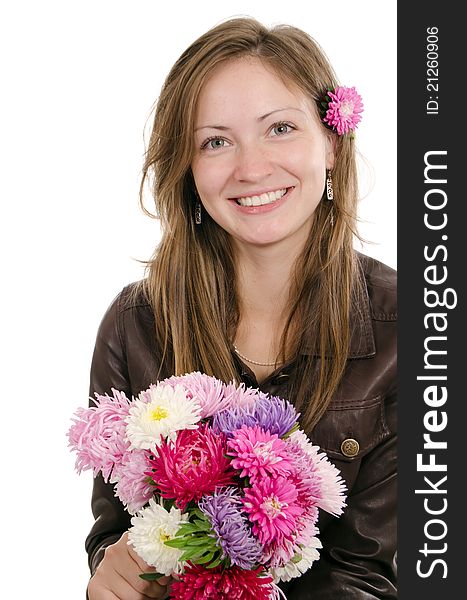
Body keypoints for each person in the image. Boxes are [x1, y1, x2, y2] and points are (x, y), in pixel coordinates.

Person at [85, 16, 396, 600]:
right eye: (216, 141)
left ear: (330, 142)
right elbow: (114, 531)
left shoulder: (416, 331)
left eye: (280, 128)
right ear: (189, 170)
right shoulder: (135, 325)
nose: (251, 168)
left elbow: (389, 577)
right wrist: (118, 568)